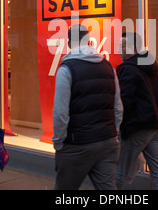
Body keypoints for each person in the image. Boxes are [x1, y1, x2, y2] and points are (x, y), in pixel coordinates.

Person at [52, 24, 123, 190]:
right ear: (90, 41)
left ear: (69, 43)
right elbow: (118, 108)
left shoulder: (66, 69)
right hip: (107, 141)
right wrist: (112, 131)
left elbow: (60, 113)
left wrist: (58, 142)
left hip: (77, 144)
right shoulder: (108, 67)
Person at [115, 32, 158, 190]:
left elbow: (124, 102)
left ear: (134, 48)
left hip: (137, 129)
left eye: (124, 46)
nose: (120, 49)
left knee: (120, 171)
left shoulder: (128, 69)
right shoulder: (152, 66)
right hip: (156, 126)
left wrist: (120, 127)